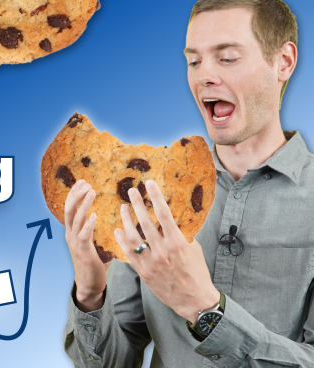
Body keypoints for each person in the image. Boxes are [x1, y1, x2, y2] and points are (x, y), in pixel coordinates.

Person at [63, 0, 314, 367]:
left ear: (284, 62)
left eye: (226, 58)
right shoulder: (153, 193)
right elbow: (112, 362)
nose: (203, 76)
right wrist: (89, 292)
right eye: (194, 61)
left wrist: (204, 309)